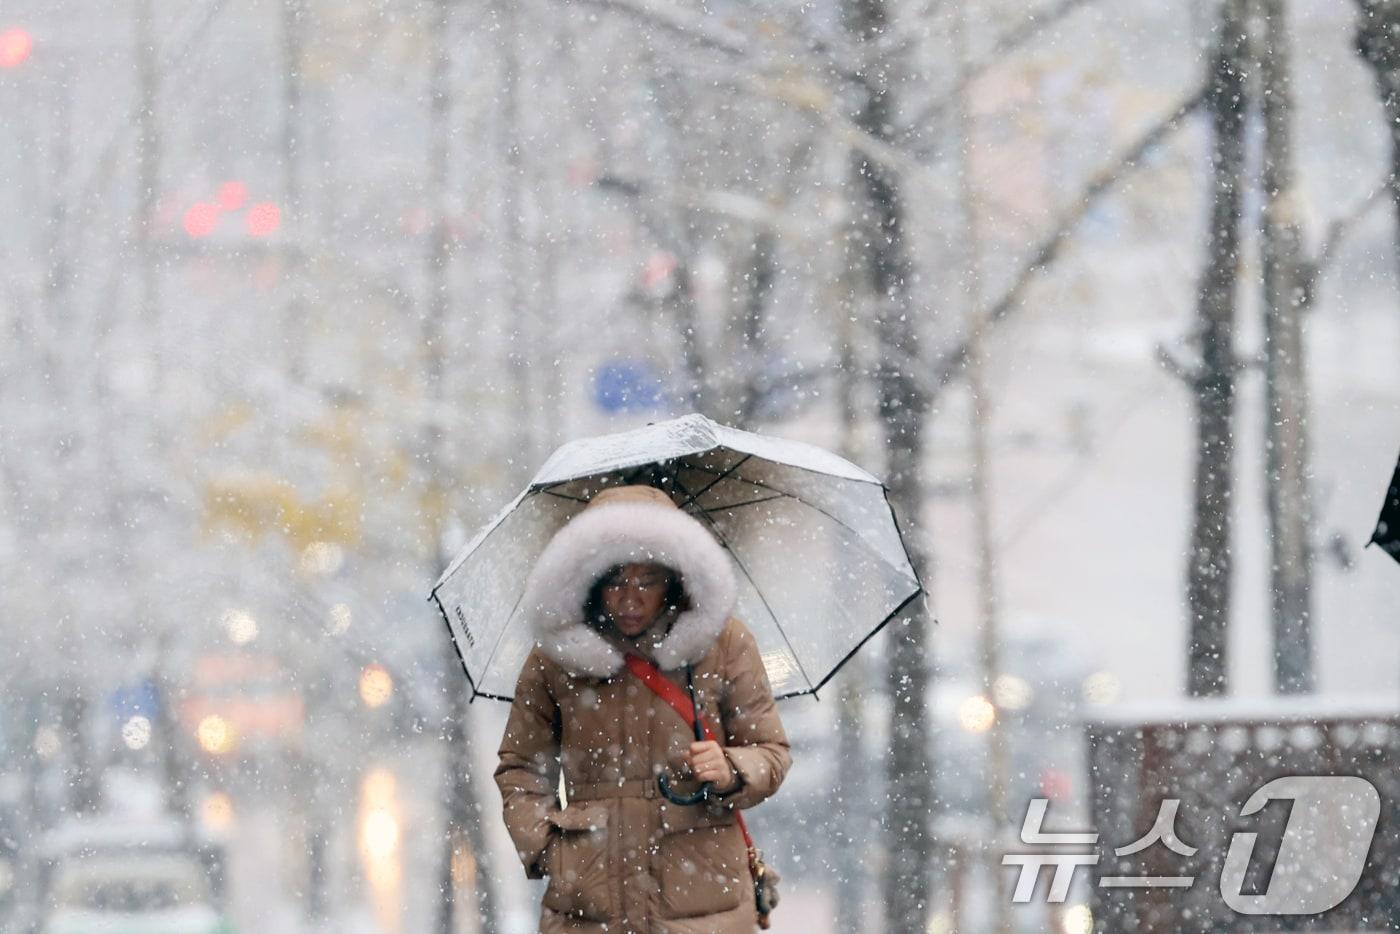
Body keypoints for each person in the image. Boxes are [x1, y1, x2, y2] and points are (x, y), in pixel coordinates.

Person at [495, 483, 791, 933]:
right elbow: (521, 768)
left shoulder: (724, 643)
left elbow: (772, 752)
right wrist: (547, 848)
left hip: (704, 908)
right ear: (591, 579)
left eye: (647, 581)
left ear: (672, 577)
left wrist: (731, 767)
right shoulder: (555, 658)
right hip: (589, 908)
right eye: (615, 579)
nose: (630, 598)